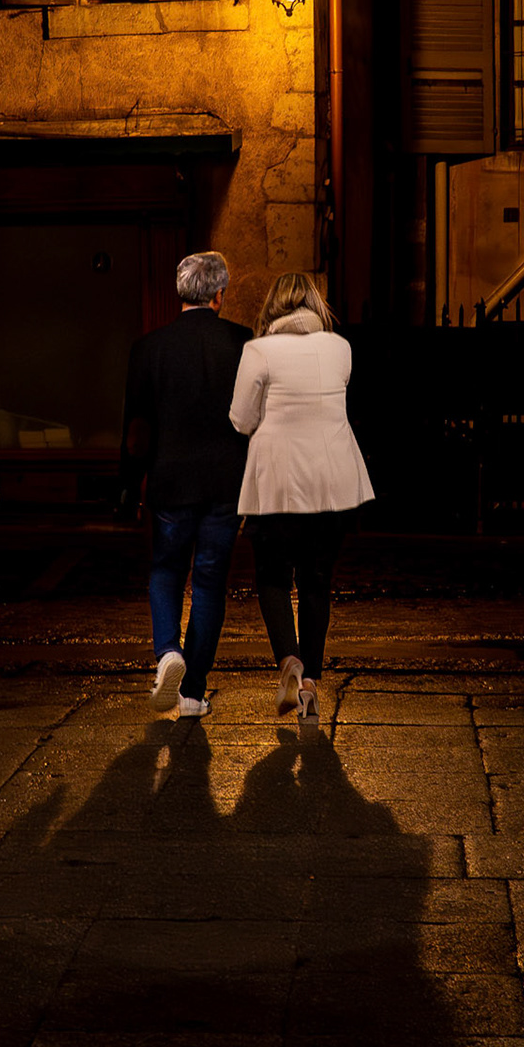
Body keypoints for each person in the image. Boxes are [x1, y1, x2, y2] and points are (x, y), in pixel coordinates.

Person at [229, 271, 374, 728]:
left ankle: (288, 661)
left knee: (272, 578)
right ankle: (310, 684)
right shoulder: (339, 348)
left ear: (273, 306)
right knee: (316, 583)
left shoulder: (258, 351)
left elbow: (240, 419)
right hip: (332, 482)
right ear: (315, 305)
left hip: (277, 483)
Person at [120, 250, 252, 718]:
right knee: (211, 584)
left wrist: (127, 483)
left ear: (181, 293)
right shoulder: (242, 342)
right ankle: (193, 693)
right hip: (225, 482)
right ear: (219, 294)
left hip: (169, 480)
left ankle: (167, 653)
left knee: (166, 568)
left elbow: (137, 428)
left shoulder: (149, 347)